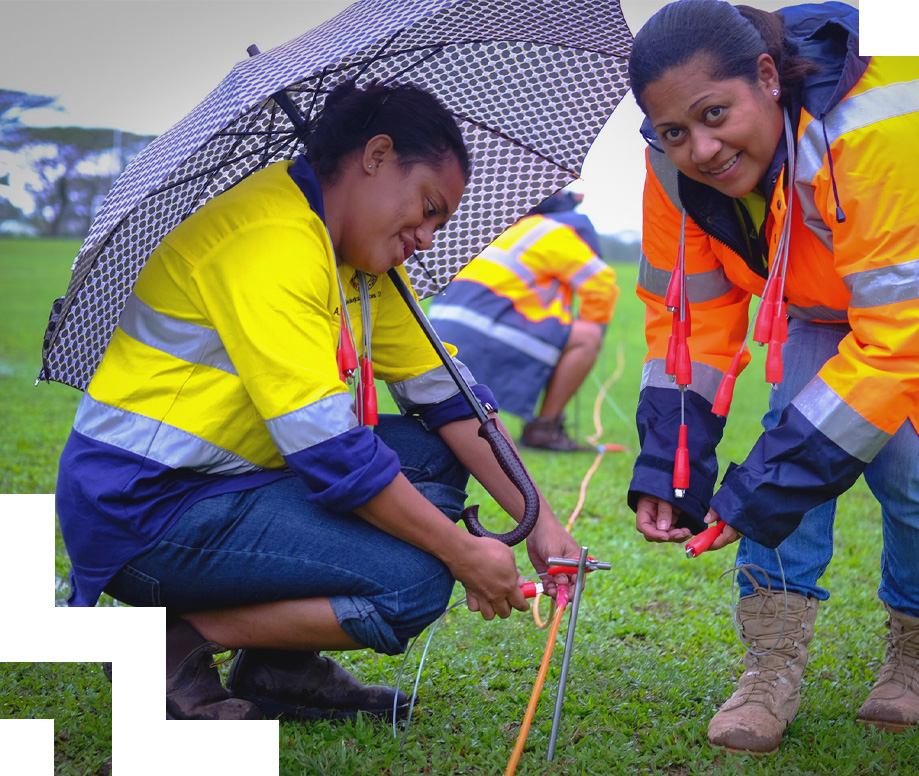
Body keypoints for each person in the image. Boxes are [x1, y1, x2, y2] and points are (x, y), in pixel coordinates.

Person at [625, 0, 919, 753]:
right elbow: (690, 318)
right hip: (842, 276)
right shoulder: (671, 161)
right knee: (795, 428)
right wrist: (670, 462)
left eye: (715, 114)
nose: (702, 149)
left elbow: (899, 345)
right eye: (675, 131)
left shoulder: (882, 124)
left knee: (914, 459)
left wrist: (759, 490)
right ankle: (769, 666)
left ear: (766, 77)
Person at [55, 80, 579, 721]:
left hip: (226, 486)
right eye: (428, 206)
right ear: (377, 156)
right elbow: (334, 454)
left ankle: (279, 669)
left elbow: (447, 397)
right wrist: (462, 551)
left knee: (432, 450)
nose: (429, 236)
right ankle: (176, 642)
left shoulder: (359, 261)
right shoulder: (270, 239)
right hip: (144, 513)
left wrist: (541, 520)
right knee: (411, 583)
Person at [428, 190, 620, 451]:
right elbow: (601, 285)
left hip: (438, 335)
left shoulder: (502, 230)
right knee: (587, 337)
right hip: (483, 335)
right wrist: (589, 324)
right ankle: (544, 428)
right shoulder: (552, 231)